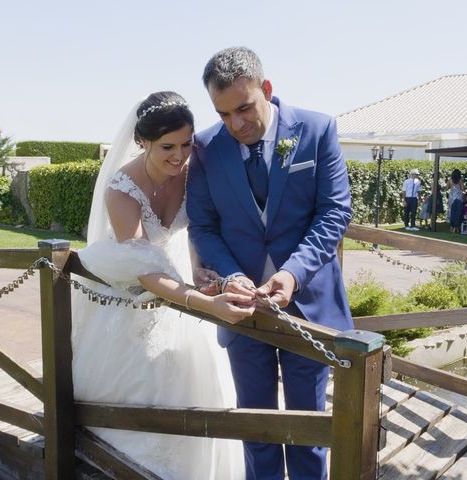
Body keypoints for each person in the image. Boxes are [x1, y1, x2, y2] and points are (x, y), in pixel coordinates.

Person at [187, 47, 353, 480]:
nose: (236, 124)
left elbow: (334, 212)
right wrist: (231, 275)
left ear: (266, 89)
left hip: (308, 308)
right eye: (224, 114)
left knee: (308, 427)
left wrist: (292, 273)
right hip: (243, 314)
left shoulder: (317, 130)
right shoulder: (206, 147)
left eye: (244, 108)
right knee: (256, 427)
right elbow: (203, 227)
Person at [71, 92, 249, 479]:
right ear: (143, 141)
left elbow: (197, 226)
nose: (179, 155)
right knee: (140, 380)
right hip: (133, 294)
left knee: (192, 379)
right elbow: (145, 273)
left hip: (179, 276)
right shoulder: (121, 191)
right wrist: (205, 304)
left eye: (187, 144)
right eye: (168, 146)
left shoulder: (191, 171)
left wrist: (200, 269)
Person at [446, 169, 464, 233]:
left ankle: (451, 227)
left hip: (452, 197)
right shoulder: (460, 180)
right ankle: (457, 227)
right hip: (458, 197)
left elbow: (446, 188)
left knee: (451, 211)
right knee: (458, 212)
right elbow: (462, 189)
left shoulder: (450, 180)